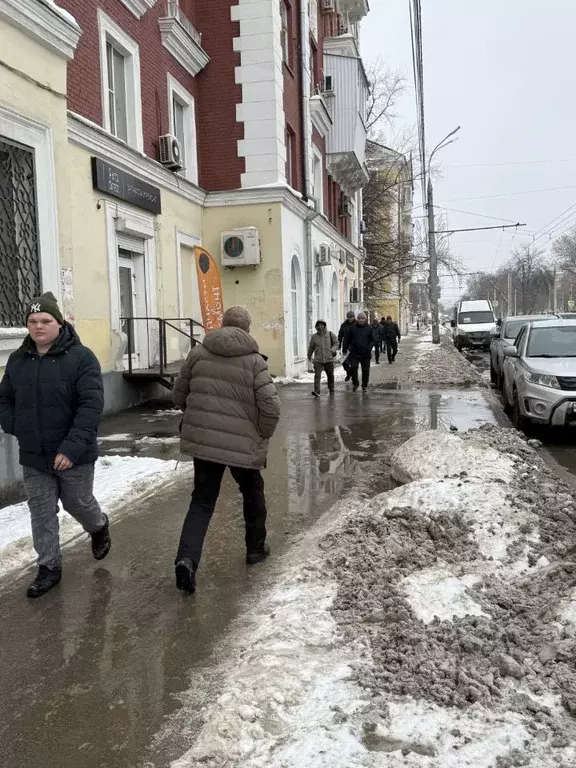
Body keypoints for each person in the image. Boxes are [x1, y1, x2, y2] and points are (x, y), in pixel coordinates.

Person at [0, 292, 110, 599]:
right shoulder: (18, 360)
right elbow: (4, 399)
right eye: (33, 321)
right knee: (41, 511)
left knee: (78, 503)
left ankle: (98, 525)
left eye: (46, 320)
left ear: (59, 323)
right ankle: (48, 567)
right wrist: (15, 425)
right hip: (34, 454)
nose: (39, 326)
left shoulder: (81, 358)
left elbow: (90, 406)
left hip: (74, 453)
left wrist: (71, 448)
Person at [172, 306, 281, 594]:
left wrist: (196, 417)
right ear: (247, 328)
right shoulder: (255, 362)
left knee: (202, 500)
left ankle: (186, 560)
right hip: (243, 444)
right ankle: (255, 549)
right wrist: (262, 433)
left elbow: (178, 394)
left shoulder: (198, 353)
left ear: (222, 325)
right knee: (252, 491)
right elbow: (271, 408)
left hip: (205, 444)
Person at [342, 312, 378, 392]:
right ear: (357, 319)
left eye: (362, 318)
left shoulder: (369, 328)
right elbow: (346, 339)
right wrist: (345, 349)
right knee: (354, 368)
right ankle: (355, 383)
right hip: (354, 352)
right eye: (359, 318)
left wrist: (369, 348)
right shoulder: (352, 328)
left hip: (366, 353)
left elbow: (373, 339)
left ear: (365, 319)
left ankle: (364, 385)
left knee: (365, 370)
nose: (361, 320)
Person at [308, 320, 338, 397]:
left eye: (322, 325)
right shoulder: (314, 337)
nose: (320, 327)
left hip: (329, 359)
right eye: (318, 325)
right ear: (316, 327)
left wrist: (332, 350)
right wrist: (309, 356)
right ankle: (317, 391)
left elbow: (336, 343)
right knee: (317, 376)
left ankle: (331, 389)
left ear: (324, 326)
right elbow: (311, 347)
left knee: (330, 375)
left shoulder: (330, 334)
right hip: (318, 359)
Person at [338, 310, 356, 382]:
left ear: (354, 317)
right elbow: (340, 335)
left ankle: (354, 379)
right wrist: (339, 345)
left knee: (354, 364)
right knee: (344, 362)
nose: (350, 318)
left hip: (354, 347)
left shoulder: (357, 324)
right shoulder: (344, 325)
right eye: (348, 317)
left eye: (351, 317)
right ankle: (349, 373)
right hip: (345, 346)